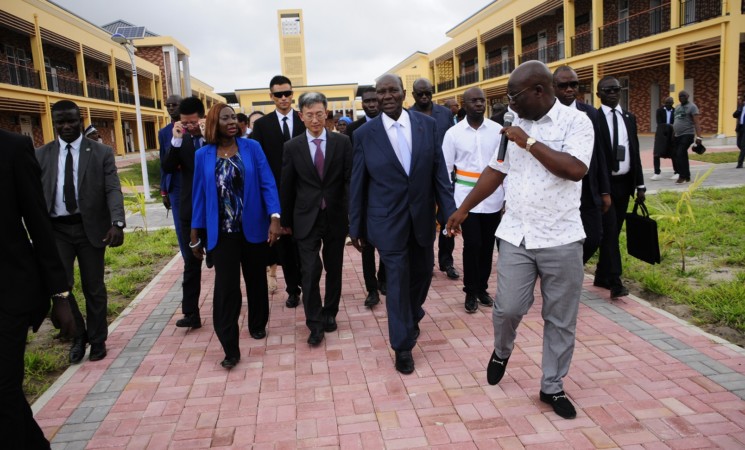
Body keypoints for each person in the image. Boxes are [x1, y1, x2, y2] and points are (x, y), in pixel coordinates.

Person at [446, 60, 593, 420]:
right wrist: (463, 208)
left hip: (561, 236)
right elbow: (496, 170)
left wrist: (528, 142)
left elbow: (575, 169)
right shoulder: (511, 127)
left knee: (559, 318)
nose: (509, 105)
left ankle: (552, 387)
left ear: (539, 91)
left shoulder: (576, 122)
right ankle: (501, 349)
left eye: (515, 97)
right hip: (516, 234)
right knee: (507, 307)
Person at [349, 74, 456, 374]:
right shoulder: (365, 135)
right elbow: (358, 183)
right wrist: (355, 225)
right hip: (387, 221)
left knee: (423, 272)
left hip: (422, 218)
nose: (386, 96)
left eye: (391, 90)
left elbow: (439, 174)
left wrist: (449, 213)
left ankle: (411, 314)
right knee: (396, 282)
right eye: (380, 92)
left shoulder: (428, 126)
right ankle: (402, 346)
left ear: (403, 92)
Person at [190, 103, 281, 369]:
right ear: (213, 124)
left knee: (256, 281)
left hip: (253, 227)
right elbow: (199, 195)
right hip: (223, 234)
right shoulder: (203, 155)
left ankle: (257, 323)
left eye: (233, 117)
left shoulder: (252, 148)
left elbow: (267, 183)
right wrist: (195, 232)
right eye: (225, 118)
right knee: (226, 289)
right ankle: (230, 347)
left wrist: (274, 217)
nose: (232, 122)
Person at [2, 129, 76, 449]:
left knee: (3, 388)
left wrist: (60, 295)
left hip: (9, 293)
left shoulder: (12, 148)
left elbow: (38, 223)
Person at [36, 99, 126, 364]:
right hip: (57, 231)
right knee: (61, 288)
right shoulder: (41, 154)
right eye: (60, 122)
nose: (66, 126)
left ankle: (98, 340)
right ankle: (79, 336)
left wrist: (117, 222)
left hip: (91, 229)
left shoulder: (101, 152)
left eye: (71, 121)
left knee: (94, 287)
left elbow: (112, 188)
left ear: (80, 120)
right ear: (54, 123)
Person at [281, 92, 353, 345]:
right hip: (305, 218)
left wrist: (351, 216)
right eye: (309, 115)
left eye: (319, 114)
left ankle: (330, 312)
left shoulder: (342, 143)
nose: (315, 120)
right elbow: (287, 186)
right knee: (310, 271)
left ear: (327, 113)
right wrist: (285, 221)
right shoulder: (292, 147)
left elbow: (348, 181)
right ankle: (314, 322)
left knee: (334, 268)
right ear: (301, 116)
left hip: (334, 216)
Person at [442, 87, 505, 313]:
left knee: (488, 247)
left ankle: (482, 289)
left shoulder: (498, 131)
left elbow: (503, 165)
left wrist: (506, 196)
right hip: (465, 199)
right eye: (474, 101)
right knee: (472, 245)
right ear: (464, 104)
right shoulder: (453, 134)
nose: (479, 104)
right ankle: (469, 291)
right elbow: (446, 170)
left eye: (482, 100)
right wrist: (448, 204)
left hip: (493, 198)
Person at [251, 75, 306, 308]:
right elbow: (258, 163)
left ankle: (309, 283)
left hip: (305, 193)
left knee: (306, 243)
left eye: (287, 93)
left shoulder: (305, 119)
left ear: (292, 94)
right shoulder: (262, 126)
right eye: (278, 94)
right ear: (271, 96)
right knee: (284, 246)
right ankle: (292, 289)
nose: (284, 98)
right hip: (277, 196)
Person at [593, 76, 646, 299]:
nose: (613, 93)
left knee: (614, 231)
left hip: (625, 183)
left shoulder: (629, 117)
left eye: (616, 89)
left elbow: (634, 151)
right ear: (599, 95)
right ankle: (615, 281)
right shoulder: (593, 118)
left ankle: (601, 275)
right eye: (607, 90)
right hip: (605, 185)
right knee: (610, 230)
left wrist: (640, 185)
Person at [553, 65, 610, 264]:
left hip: (588, 188)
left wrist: (604, 191)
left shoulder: (591, 114)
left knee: (594, 237)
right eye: (563, 85)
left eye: (574, 84)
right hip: (561, 189)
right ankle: (563, 274)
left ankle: (571, 269)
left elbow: (599, 154)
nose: (569, 89)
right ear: (553, 87)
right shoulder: (547, 116)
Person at [162, 96, 206, 329]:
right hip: (190, 208)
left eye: (193, 123)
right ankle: (191, 313)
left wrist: (207, 136)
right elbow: (168, 167)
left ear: (202, 118)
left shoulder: (216, 138)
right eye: (184, 123)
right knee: (191, 262)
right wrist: (176, 141)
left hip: (216, 210)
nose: (189, 127)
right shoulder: (181, 140)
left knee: (225, 262)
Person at [409, 77, 459, 280]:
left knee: (447, 217)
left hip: (444, 174)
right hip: (420, 177)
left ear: (432, 92)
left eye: (427, 93)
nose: (424, 97)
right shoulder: (408, 115)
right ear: (412, 95)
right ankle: (425, 262)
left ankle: (446, 261)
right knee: (424, 222)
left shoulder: (445, 113)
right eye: (419, 94)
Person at [347, 86, 386, 307]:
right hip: (363, 196)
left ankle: (383, 279)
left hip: (385, 196)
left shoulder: (389, 125)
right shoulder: (353, 130)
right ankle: (371, 289)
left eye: (374, 100)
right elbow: (350, 166)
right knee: (367, 246)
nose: (371, 104)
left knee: (387, 242)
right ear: (361, 103)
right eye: (367, 101)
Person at [158, 95, 186, 259]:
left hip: (193, 182)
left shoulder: (192, 127)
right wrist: (164, 191)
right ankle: (186, 257)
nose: (170, 108)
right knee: (180, 227)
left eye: (174, 105)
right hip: (175, 184)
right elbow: (163, 162)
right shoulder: (163, 133)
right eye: (167, 105)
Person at [672, 90, 703, 184]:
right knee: (682, 155)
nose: (681, 98)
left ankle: (682, 176)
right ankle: (687, 176)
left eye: (683, 96)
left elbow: (697, 123)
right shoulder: (677, 107)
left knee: (679, 153)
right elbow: (675, 121)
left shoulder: (692, 107)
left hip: (687, 134)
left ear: (687, 96)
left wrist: (699, 137)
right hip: (677, 135)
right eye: (679, 96)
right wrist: (673, 134)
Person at [651, 97, 675, 180]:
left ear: (673, 103)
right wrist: (670, 126)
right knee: (656, 153)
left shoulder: (675, 111)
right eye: (667, 103)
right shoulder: (659, 110)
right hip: (661, 134)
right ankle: (657, 172)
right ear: (664, 103)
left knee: (673, 153)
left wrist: (671, 127)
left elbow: (675, 123)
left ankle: (677, 172)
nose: (668, 104)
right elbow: (659, 123)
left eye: (670, 103)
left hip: (671, 134)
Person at [734, 93, 744, 168]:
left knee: (743, 146)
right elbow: (734, 115)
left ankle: (739, 163)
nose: (738, 101)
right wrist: (739, 109)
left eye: (740, 99)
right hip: (740, 128)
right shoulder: (740, 107)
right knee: (738, 144)